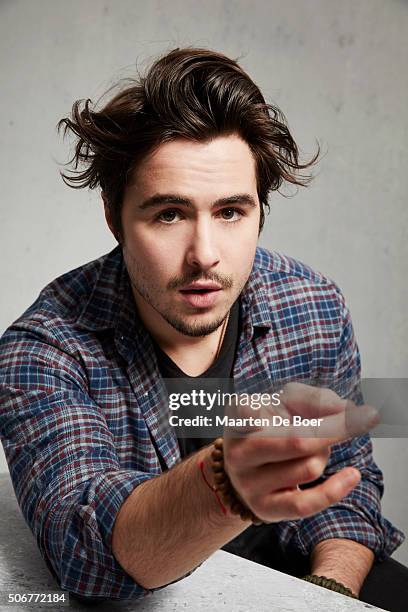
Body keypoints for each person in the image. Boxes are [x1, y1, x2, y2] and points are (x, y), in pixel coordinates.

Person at [0, 47, 406, 610]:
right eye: (169, 214)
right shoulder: (44, 349)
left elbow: (346, 487)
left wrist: (328, 593)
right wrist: (222, 482)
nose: (205, 256)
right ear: (113, 215)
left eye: (231, 212)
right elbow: (84, 553)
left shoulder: (313, 307)